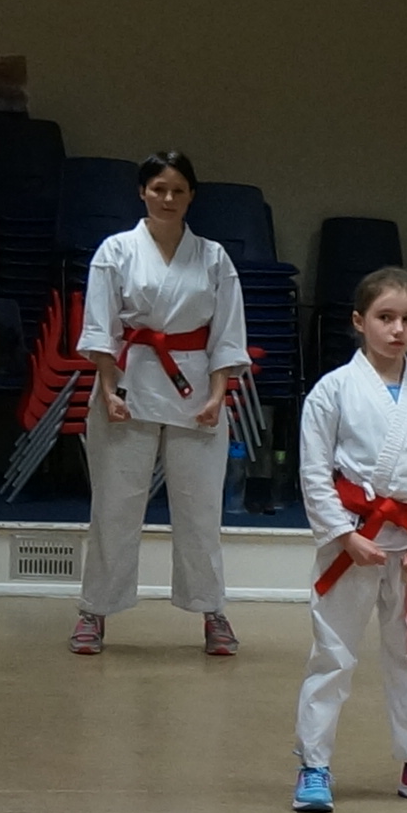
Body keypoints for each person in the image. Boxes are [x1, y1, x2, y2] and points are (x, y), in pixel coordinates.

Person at [297, 264, 407, 813]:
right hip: (352, 540)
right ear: (359, 321)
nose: (398, 330)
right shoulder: (332, 392)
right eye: (385, 318)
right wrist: (344, 536)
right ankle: (314, 765)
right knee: (333, 654)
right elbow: (314, 473)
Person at [70, 149, 246, 659]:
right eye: (158, 189)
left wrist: (218, 396)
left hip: (196, 389)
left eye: (178, 190)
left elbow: (227, 334)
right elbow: (101, 327)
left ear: (192, 196)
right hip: (129, 382)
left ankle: (212, 611)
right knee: (114, 505)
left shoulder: (213, 257)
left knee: (200, 509)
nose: (168, 198)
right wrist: (107, 389)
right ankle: (94, 611)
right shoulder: (116, 251)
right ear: (142, 192)